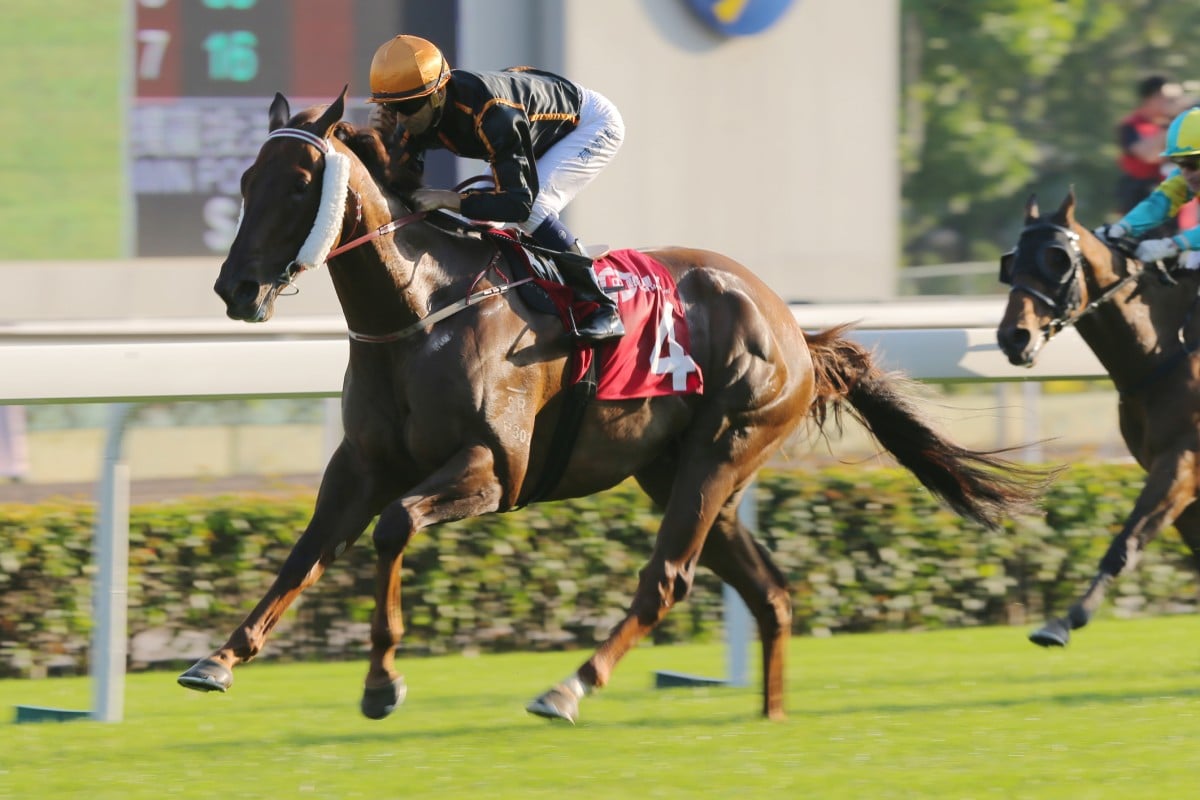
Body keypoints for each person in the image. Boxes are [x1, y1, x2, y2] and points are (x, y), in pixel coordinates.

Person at [366, 34, 625, 345]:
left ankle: (601, 306)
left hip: (589, 125)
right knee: (479, 219)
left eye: (408, 107)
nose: (402, 119)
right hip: (533, 129)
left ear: (437, 95)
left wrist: (451, 199)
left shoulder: (492, 113)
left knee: (536, 207)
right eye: (391, 108)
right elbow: (398, 184)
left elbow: (519, 205)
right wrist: (380, 137)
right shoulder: (416, 116)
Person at [1097, 106, 1200, 271]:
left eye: (1193, 163)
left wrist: (1172, 245)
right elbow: (1160, 203)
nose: (1187, 173)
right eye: (1179, 162)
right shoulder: (1185, 175)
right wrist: (1123, 227)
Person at [1114, 75, 1184, 220]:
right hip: (1140, 194)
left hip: (1171, 194)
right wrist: (1169, 125)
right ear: (1152, 98)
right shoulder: (1131, 124)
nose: (1175, 103)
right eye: (1169, 99)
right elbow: (1148, 155)